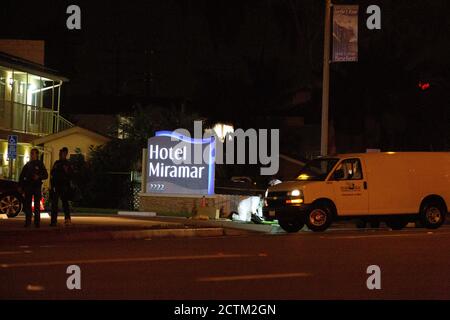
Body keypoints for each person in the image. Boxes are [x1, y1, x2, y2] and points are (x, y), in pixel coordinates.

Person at [19, 148, 48, 228]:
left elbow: (46, 175)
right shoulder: (27, 165)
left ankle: (37, 222)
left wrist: (38, 177)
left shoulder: (40, 164)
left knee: (37, 205)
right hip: (28, 186)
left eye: (33, 153)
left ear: (37, 154)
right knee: (27, 205)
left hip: (36, 187)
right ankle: (28, 222)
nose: (31, 155)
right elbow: (21, 176)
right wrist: (20, 186)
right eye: (31, 153)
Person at [50, 147, 73, 226]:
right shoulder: (57, 163)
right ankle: (53, 221)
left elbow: (70, 175)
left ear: (65, 154)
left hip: (64, 186)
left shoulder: (67, 163)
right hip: (56, 186)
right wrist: (52, 185)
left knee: (65, 203)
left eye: (62, 153)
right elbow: (52, 173)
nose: (60, 155)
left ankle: (67, 219)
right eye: (60, 153)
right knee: (54, 204)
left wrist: (66, 171)